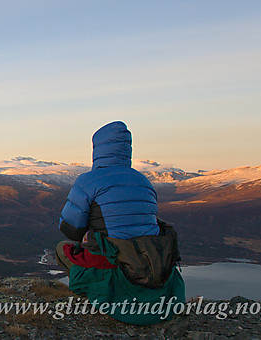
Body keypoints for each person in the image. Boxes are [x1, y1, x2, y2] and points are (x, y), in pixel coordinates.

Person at [55, 121, 184, 325]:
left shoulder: (88, 181)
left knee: (64, 249)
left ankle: (95, 291)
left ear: (97, 149)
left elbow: (70, 228)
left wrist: (90, 231)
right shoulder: (144, 181)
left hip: (116, 269)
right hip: (153, 267)